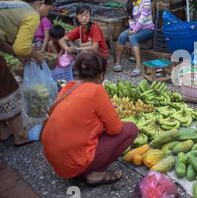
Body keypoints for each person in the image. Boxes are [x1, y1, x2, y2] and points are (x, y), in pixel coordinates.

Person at [40, 52, 138, 186]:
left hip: (56, 161)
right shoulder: (96, 90)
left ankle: (78, 169)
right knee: (130, 129)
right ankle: (93, 173)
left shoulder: (67, 88)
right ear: (101, 75)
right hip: (74, 164)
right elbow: (115, 129)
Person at [0, 0, 54, 147]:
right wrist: (35, 55)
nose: (48, 12)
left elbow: (5, 44)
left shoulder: (18, 5)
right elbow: (22, 48)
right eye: (50, 8)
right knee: (8, 89)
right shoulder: (33, 15)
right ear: (42, 4)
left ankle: (3, 131)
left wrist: (17, 54)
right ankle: (21, 135)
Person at [113, 0, 154, 77]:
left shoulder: (146, 1)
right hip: (136, 28)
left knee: (132, 37)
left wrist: (134, 31)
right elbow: (130, 19)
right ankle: (118, 63)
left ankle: (138, 66)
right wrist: (132, 28)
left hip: (147, 29)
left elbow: (142, 19)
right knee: (122, 35)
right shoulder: (129, 4)